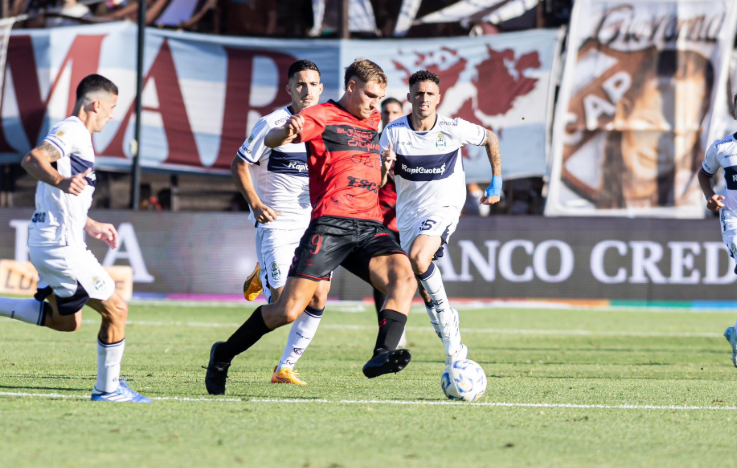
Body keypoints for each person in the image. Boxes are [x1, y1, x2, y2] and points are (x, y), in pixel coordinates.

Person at [205, 59, 417, 395]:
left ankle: (381, 354)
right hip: (328, 223)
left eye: (380, 97)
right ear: (351, 88)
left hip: (367, 222)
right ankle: (223, 354)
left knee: (404, 277)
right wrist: (283, 133)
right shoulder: (320, 116)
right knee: (288, 310)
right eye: (371, 96)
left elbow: (372, 177)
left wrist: (383, 166)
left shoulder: (373, 118)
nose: (376, 104)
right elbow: (275, 138)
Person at [0, 74, 150, 403]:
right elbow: (33, 158)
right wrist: (61, 180)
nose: (112, 114)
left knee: (66, 322)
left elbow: (65, 199)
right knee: (116, 310)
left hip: (51, 240)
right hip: (61, 247)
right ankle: (107, 390)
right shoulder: (72, 130)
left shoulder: (75, 135)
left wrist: (90, 223)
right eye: (111, 107)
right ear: (96, 104)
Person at [380, 69, 502, 364]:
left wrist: (496, 182)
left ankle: (447, 316)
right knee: (422, 278)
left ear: (439, 98)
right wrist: (383, 166)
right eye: (418, 93)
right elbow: (380, 181)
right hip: (409, 215)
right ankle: (450, 336)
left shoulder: (453, 128)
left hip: (444, 208)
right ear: (409, 97)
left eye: (430, 94)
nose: (424, 99)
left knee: (420, 258)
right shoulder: (393, 132)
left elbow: (491, 138)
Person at [234, 60, 330, 386]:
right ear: (289, 89)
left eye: (312, 84)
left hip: (313, 225)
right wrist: (256, 203)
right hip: (275, 223)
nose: (306, 90)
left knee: (317, 298)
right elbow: (239, 164)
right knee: (283, 305)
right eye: (299, 84)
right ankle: (263, 273)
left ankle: (285, 367)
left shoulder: (328, 125)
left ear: (321, 88)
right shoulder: (271, 123)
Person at [698, 97, 737, 367]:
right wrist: (710, 196)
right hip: (734, 221)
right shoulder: (722, 147)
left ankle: (736, 333)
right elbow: (704, 174)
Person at [374, 97, 407, 347]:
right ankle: (388, 328)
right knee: (383, 276)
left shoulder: (410, 142)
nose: (389, 115)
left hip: (407, 219)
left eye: (394, 111)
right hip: (379, 220)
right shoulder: (373, 143)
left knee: (414, 274)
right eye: (386, 111)